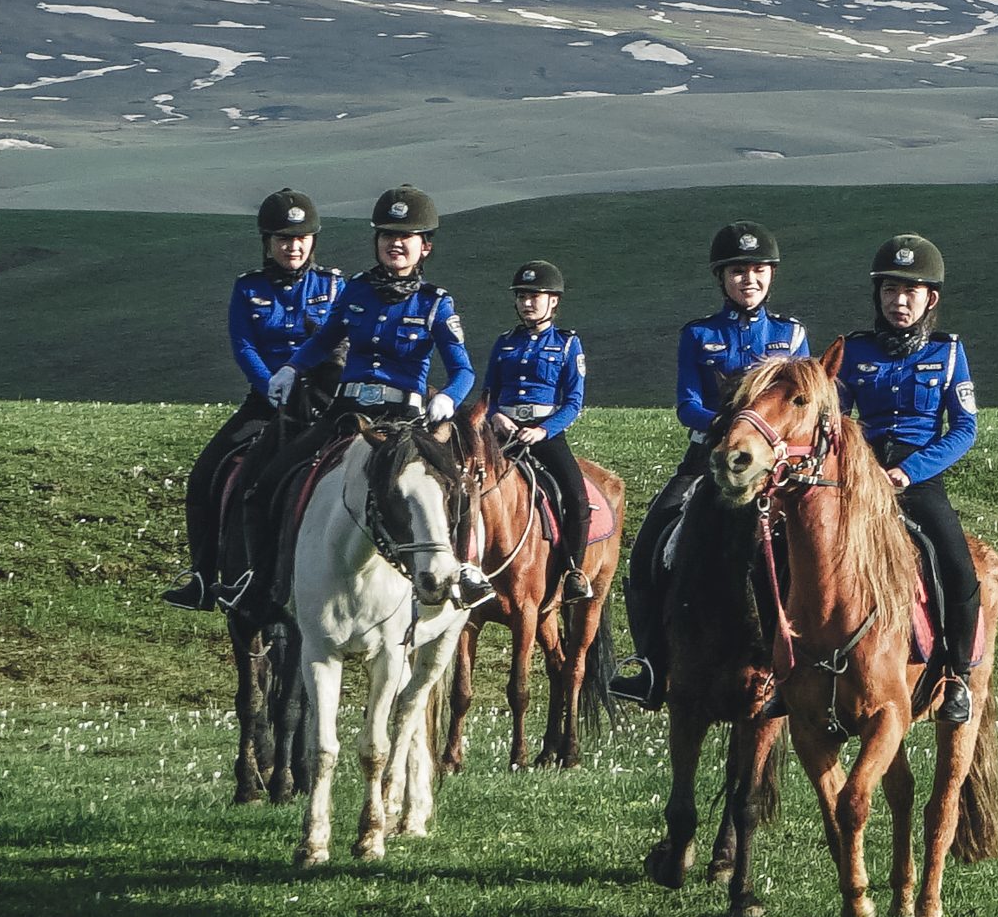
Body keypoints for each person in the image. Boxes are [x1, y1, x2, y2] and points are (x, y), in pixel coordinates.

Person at [614, 222, 806, 707]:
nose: (749, 280)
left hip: (770, 465)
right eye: (738, 271)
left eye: (758, 270)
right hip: (708, 458)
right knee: (649, 542)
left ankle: (797, 667)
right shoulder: (699, 334)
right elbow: (686, 404)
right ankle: (652, 664)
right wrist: (729, 426)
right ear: (721, 278)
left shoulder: (791, 335)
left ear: (771, 276)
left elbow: (805, 402)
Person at [837, 230, 988, 727]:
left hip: (917, 479)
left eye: (910, 292)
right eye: (889, 291)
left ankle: (958, 678)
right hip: (859, 475)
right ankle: (788, 671)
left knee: (959, 571)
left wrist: (908, 472)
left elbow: (964, 429)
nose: (898, 301)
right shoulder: (853, 351)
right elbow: (833, 418)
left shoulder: (948, 353)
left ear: (930, 299)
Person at [166, 188, 341, 609]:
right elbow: (244, 346)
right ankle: (204, 578)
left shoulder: (334, 286)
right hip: (267, 402)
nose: (293, 246)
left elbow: (338, 345)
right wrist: (271, 386)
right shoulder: (248, 289)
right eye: (283, 239)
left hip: (322, 402)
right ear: (267, 243)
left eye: (300, 238)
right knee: (205, 474)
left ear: (313, 241)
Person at [313, 184, 477, 467]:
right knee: (281, 471)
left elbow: (463, 371)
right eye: (387, 234)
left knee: (439, 493)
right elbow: (323, 341)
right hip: (345, 413)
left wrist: (449, 398)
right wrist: (290, 369)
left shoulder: (434, 304)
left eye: (405, 236)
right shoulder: (356, 289)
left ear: (425, 247)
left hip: (403, 418)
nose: (395, 243)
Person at [481, 258, 594, 609]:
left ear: (553, 301)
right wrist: (497, 417)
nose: (527, 302)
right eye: (522, 296)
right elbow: (488, 393)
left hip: (544, 436)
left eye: (536, 296)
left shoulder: (566, 344)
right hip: (502, 435)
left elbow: (573, 402)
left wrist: (543, 431)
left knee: (576, 497)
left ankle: (574, 571)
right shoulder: (504, 343)